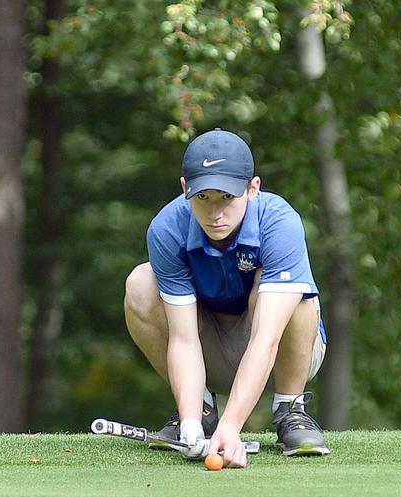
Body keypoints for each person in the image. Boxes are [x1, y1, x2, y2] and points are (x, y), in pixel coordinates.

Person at [123, 128, 329, 468]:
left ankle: (290, 410)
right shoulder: (167, 228)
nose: (215, 212)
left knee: (297, 295)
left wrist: (231, 428)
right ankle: (201, 412)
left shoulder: (280, 222)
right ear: (185, 188)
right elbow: (185, 339)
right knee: (141, 282)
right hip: (210, 351)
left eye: (226, 198)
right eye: (203, 198)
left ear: (253, 189)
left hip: (283, 353)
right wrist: (190, 419)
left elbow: (267, 339)